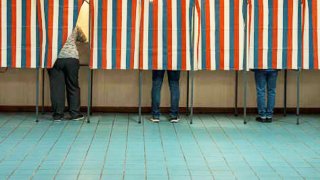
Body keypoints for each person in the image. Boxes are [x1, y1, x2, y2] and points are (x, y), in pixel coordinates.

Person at [48, 26, 87, 121]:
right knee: (73, 86)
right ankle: (75, 113)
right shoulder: (74, 25)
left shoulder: (51, 25)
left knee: (57, 88)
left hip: (55, 58)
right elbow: (84, 39)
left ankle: (58, 114)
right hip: (72, 58)